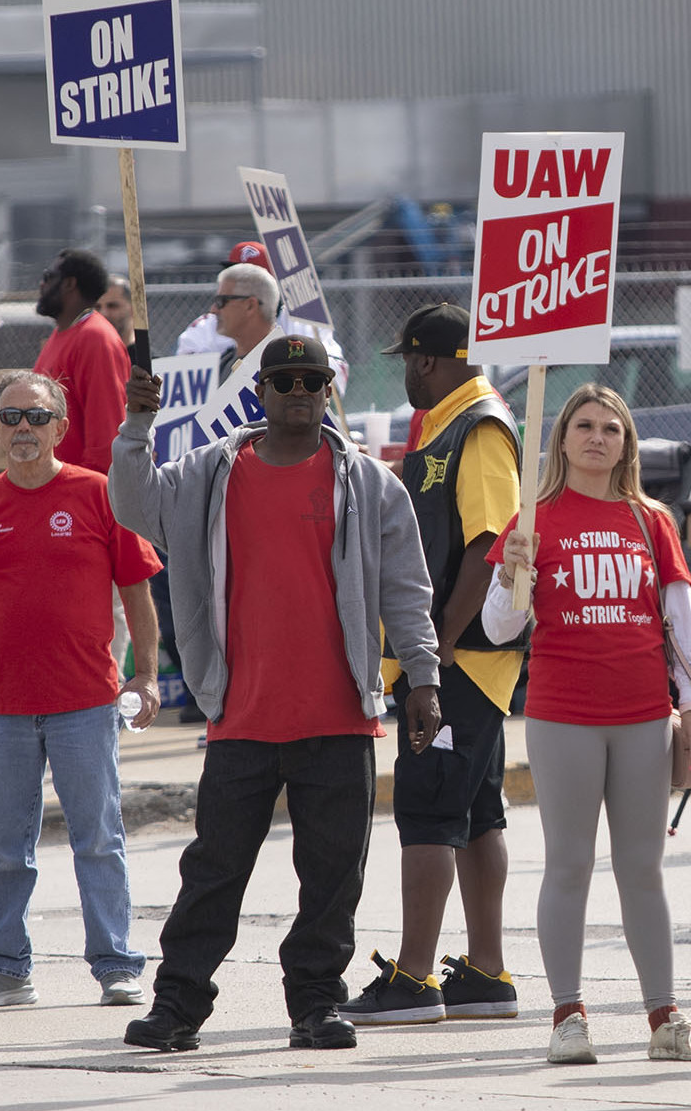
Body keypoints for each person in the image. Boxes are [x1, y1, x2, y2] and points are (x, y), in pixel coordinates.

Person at [109, 334, 441, 1053]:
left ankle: (316, 1006)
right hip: (241, 716)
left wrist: (423, 676)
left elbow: (407, 591)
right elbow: (136, 508)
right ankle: (177, 1007)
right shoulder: (209, 472)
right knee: (213, 872)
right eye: (284, 380)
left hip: (340, 717)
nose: (298, 391)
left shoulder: (369, 483)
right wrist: (136, 429)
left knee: (330, 881)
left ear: (329, 391)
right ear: (260, 390)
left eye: (311, 380)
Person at [484, 384, 691, 1065]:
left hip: (643, 718)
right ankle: (567, 1017)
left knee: (643, 869)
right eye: (583, 426)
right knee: (570, 865)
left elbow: (680, 625)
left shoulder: (652, 520)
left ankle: (665, 1021)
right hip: (563, 718)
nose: (596, 437)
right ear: (561, 439)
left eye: (610, 428)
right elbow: (500, 630)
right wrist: (510, 575)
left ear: (627, 443)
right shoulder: (533, 519)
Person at [0, 370, 161, 1010]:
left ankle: (116, 964)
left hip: (85, 703)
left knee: (99, 839)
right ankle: (5, 968)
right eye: (9, 418)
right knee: (7, 850)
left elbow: (137, 590)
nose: (22, 429)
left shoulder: (99, 495)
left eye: (35, 417)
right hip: (0, 710)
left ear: (60, 426)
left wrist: (144, 674)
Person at [340, 304, 524, 1026]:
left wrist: (435, 655)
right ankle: (485, 971)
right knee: (476, 815)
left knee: (427, 811)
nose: (407, 373)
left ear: (428, 360)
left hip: (461, 660)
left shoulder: (478, 423)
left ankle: (415, 979)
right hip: (464, 661)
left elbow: (490, 543)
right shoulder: (450, 420)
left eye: (409, 361)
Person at [176, 241, 349, 388]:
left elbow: (335, 376)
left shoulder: (304, 320)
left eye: (253, 278)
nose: (244, 282)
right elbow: (183, 384)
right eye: (237, 274)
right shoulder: (207, 325)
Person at [31, 247, 130, 475]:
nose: (41, 285)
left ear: (69, 284)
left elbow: (107, 439)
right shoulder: (62, 335)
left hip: (77, 498)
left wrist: (87, 498)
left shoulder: (95, 339)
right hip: (52, 491)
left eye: (48, 277)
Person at [98, 274, 135, 347]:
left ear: (133, 310)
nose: (103, 313)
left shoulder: (145, 357)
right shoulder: (87, 356)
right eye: (97, 307)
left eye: (112, 306)